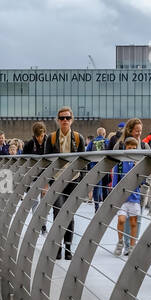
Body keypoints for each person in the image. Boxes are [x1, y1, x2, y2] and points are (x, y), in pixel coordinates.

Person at [43, 107, 87, 260]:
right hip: (56, 180)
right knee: (57, 213)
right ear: (58, 120)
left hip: (73, 180)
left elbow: (84, 162)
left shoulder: (78, 137)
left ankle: (68, 249)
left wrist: (84, 183)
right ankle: (57, 248)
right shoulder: (51, 138)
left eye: (67, 118)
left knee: (69, 214)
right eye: (62, 118)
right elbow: (46, 161)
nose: (65, 120)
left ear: (72, 119)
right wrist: (47, 183)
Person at [112, 138, 142, 255]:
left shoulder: (138, 163)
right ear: (125, 148)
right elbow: (115, 181)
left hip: (134, 197)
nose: (132, 150)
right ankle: (120, 242)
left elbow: (142, 181)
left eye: (134, 148)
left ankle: (132, 246)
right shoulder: (120, 163)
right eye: (130, 148)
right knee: (121, 220)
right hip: (122, 198)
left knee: (134, 222)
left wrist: (137, 168)